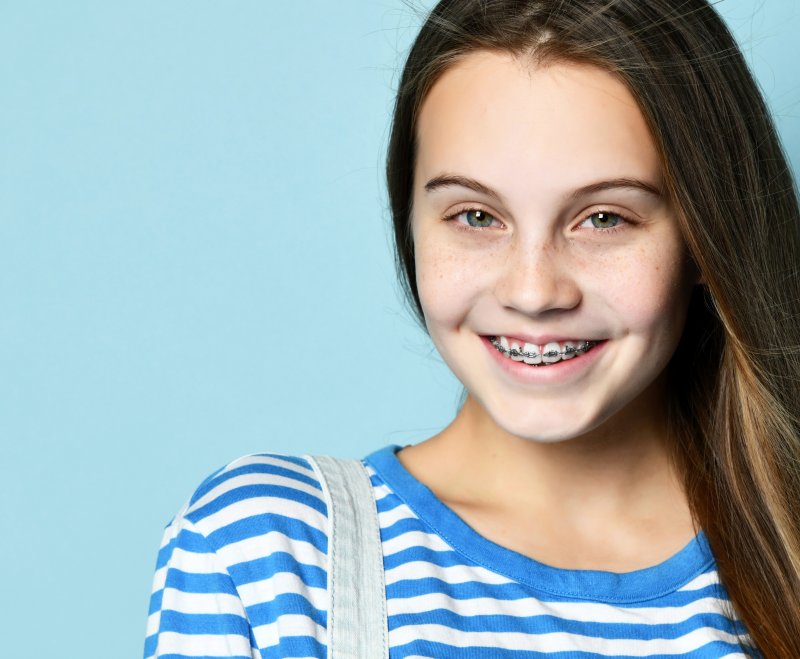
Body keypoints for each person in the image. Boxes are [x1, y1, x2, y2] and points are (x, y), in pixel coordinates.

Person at [144, 1, 800, 656]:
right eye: (476, 216)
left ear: (706, 238)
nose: (534, 291)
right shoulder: (267, 556)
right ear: (410, 222)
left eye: (604, 218)